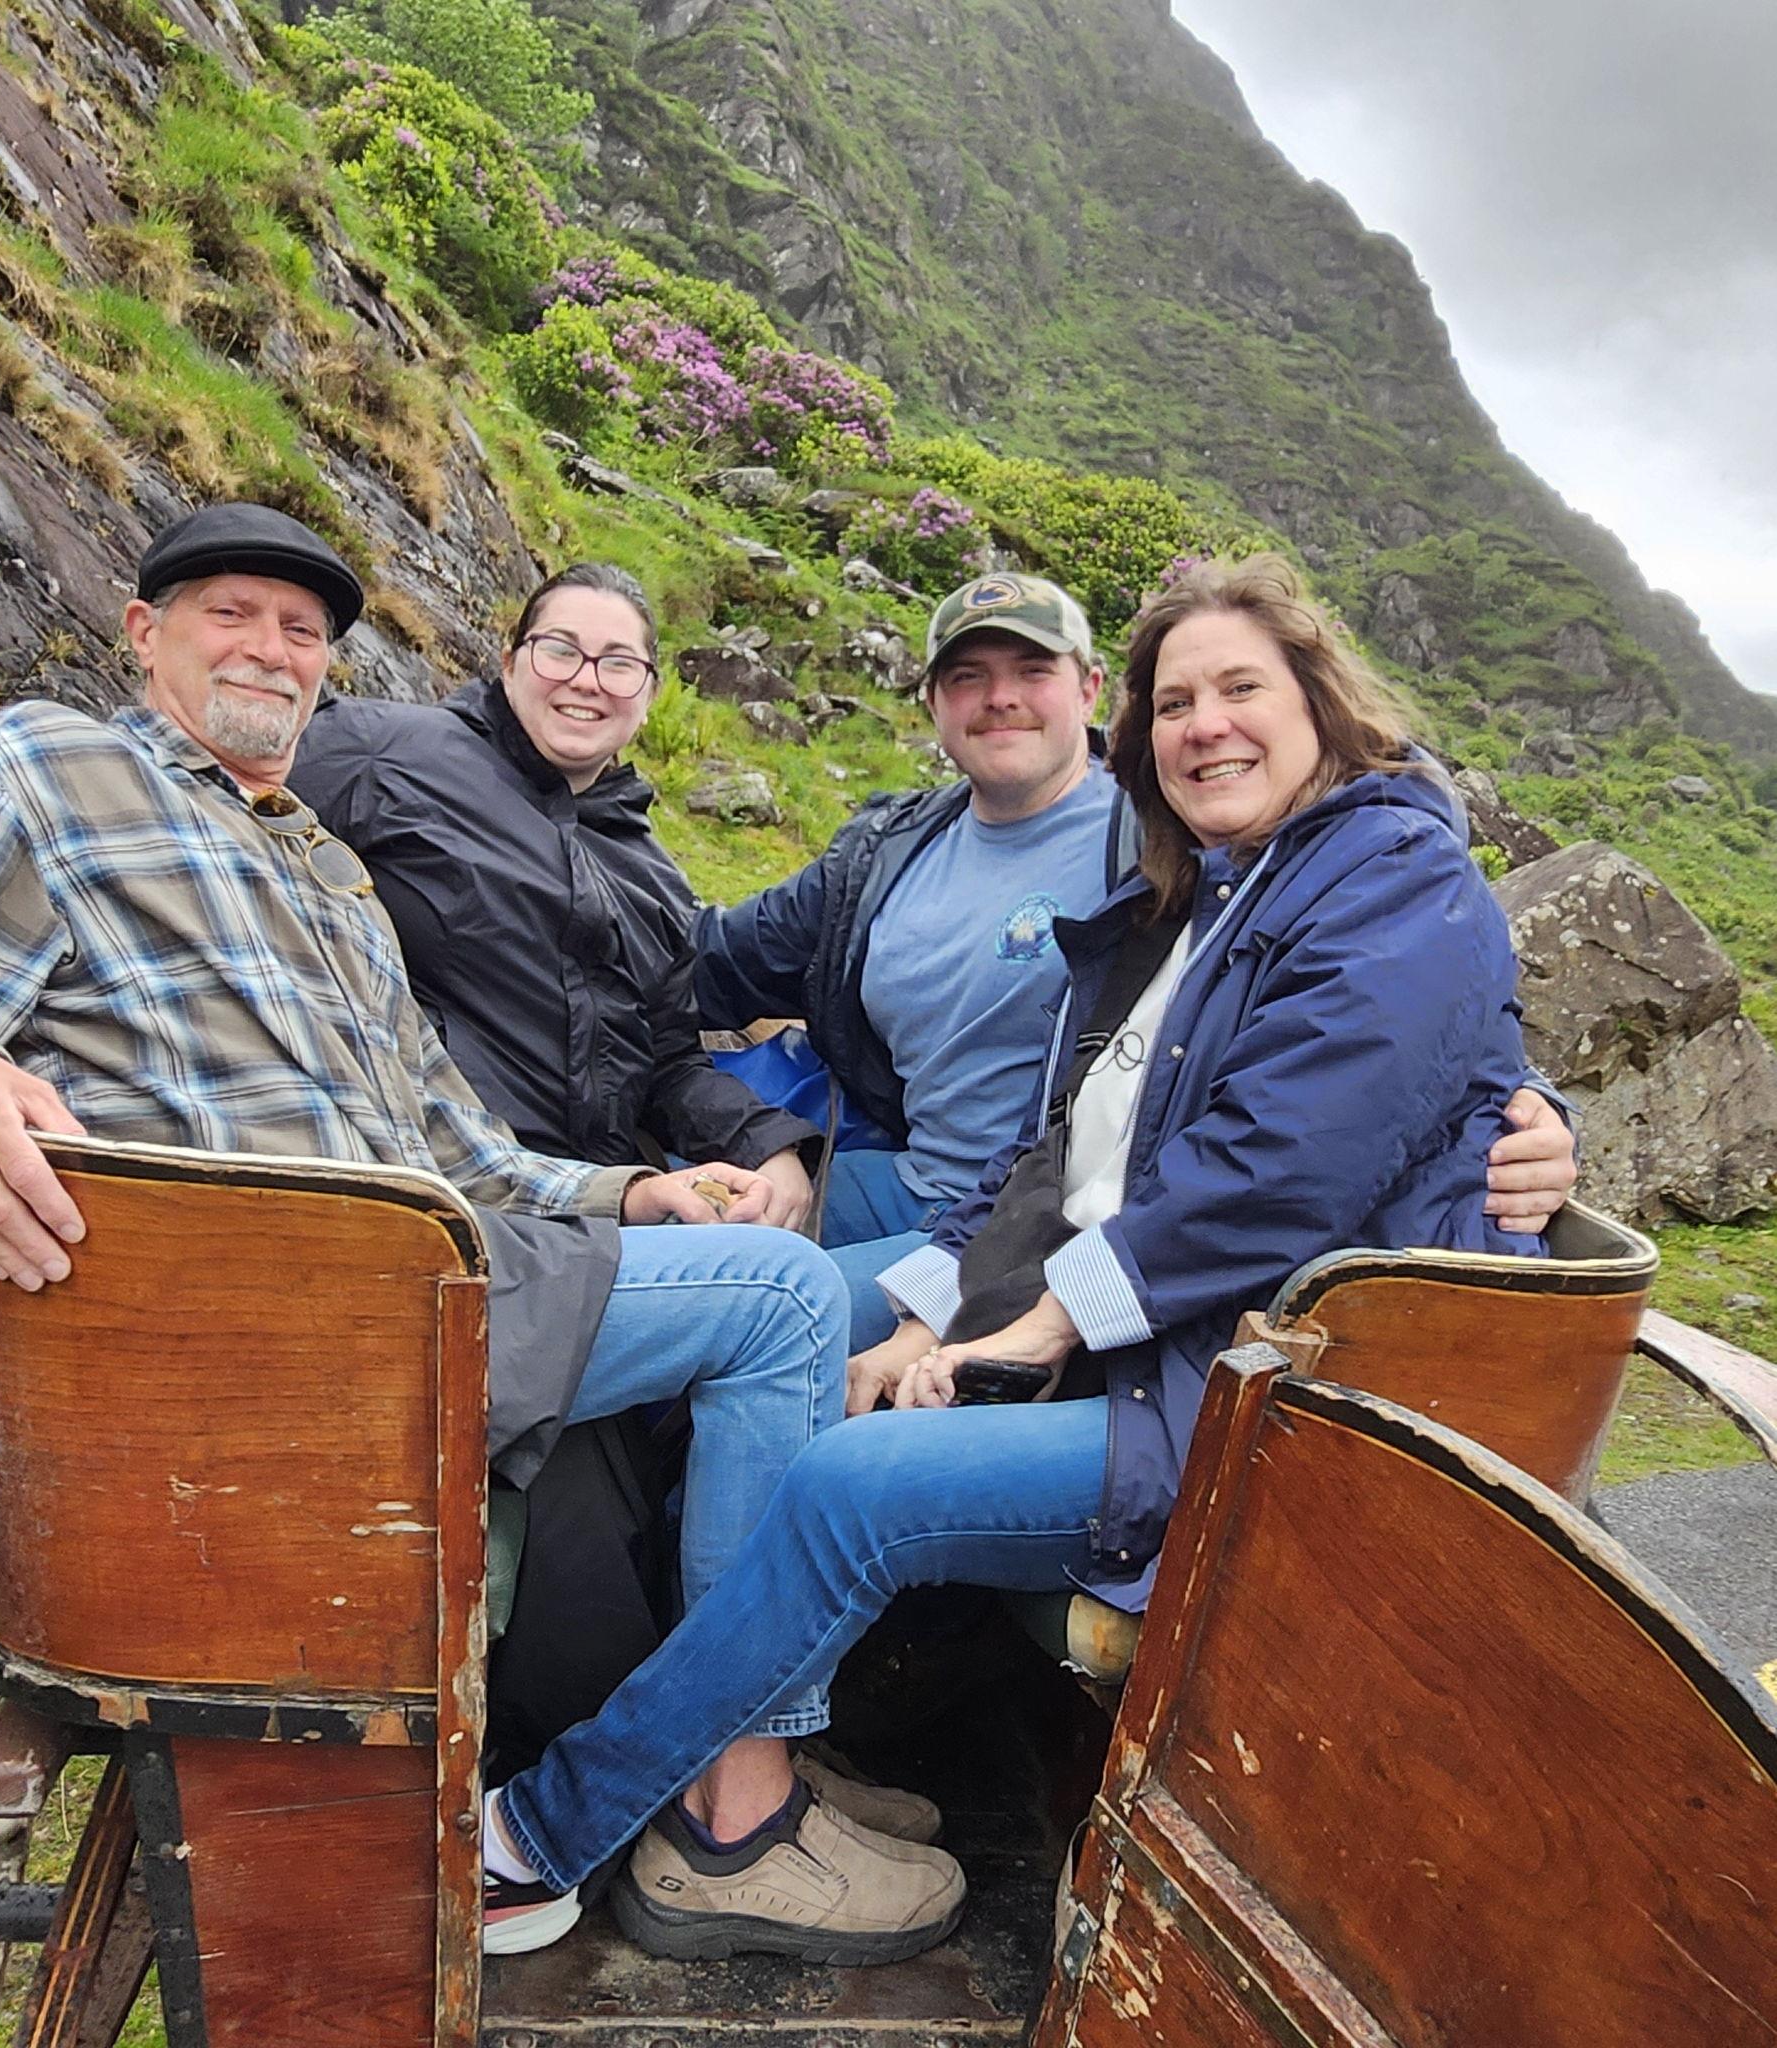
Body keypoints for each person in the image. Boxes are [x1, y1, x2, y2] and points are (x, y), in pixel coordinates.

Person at [0, 503, 935, 1959]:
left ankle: (696, 1745)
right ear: (143, 633)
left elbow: (454, 1142)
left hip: (422, 1261)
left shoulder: (326, 874)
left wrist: (632, 1189)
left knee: (763, 1275)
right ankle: (729, 1812)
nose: (271, 647)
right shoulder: (42, 767)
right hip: (266, 1315)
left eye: (302, 630)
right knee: (794, 1300)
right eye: (229, 612)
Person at [479, 553, 1547, 1965]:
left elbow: (1279, 1169)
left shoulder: (1386, 877)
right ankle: (737, 1782)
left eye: (1240, 688)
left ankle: (550, 1830)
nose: (1206, 725)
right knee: (792, 1368)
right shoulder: (1204, 899)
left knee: (842, 1486)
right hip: (1169, 1357)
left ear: (1321, 703)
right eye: (1179, 704)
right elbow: (1054, 1159)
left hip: (1278, 1411)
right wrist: (934, 1315)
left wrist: (1020, 1337)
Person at [692, 571, 1577, 1347]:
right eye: (967, 677)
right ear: (931, 704)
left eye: (1031, 671)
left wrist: (1527, 1096)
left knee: (763, 1329)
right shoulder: (884, 850)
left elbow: (1377, 1005)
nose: (999, 698)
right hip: (930, 1182)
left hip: (1058, 1219)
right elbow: (705, 968)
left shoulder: (1170, 834)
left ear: (1087, 692)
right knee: (688, 1260)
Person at [287, 561, 824, 1783]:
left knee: (644, 1496)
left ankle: (689, 1756)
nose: (586, 678)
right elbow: (214, 802)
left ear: (647, 694)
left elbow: (669, 1064)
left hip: (595, 1210)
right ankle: (668, 1785)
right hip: (455, 1197)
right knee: (578, 1572)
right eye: (560, 649)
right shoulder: (385, 750)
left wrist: (765, 1140)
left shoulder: (645, 865)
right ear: (512, 654)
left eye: (616, 661)